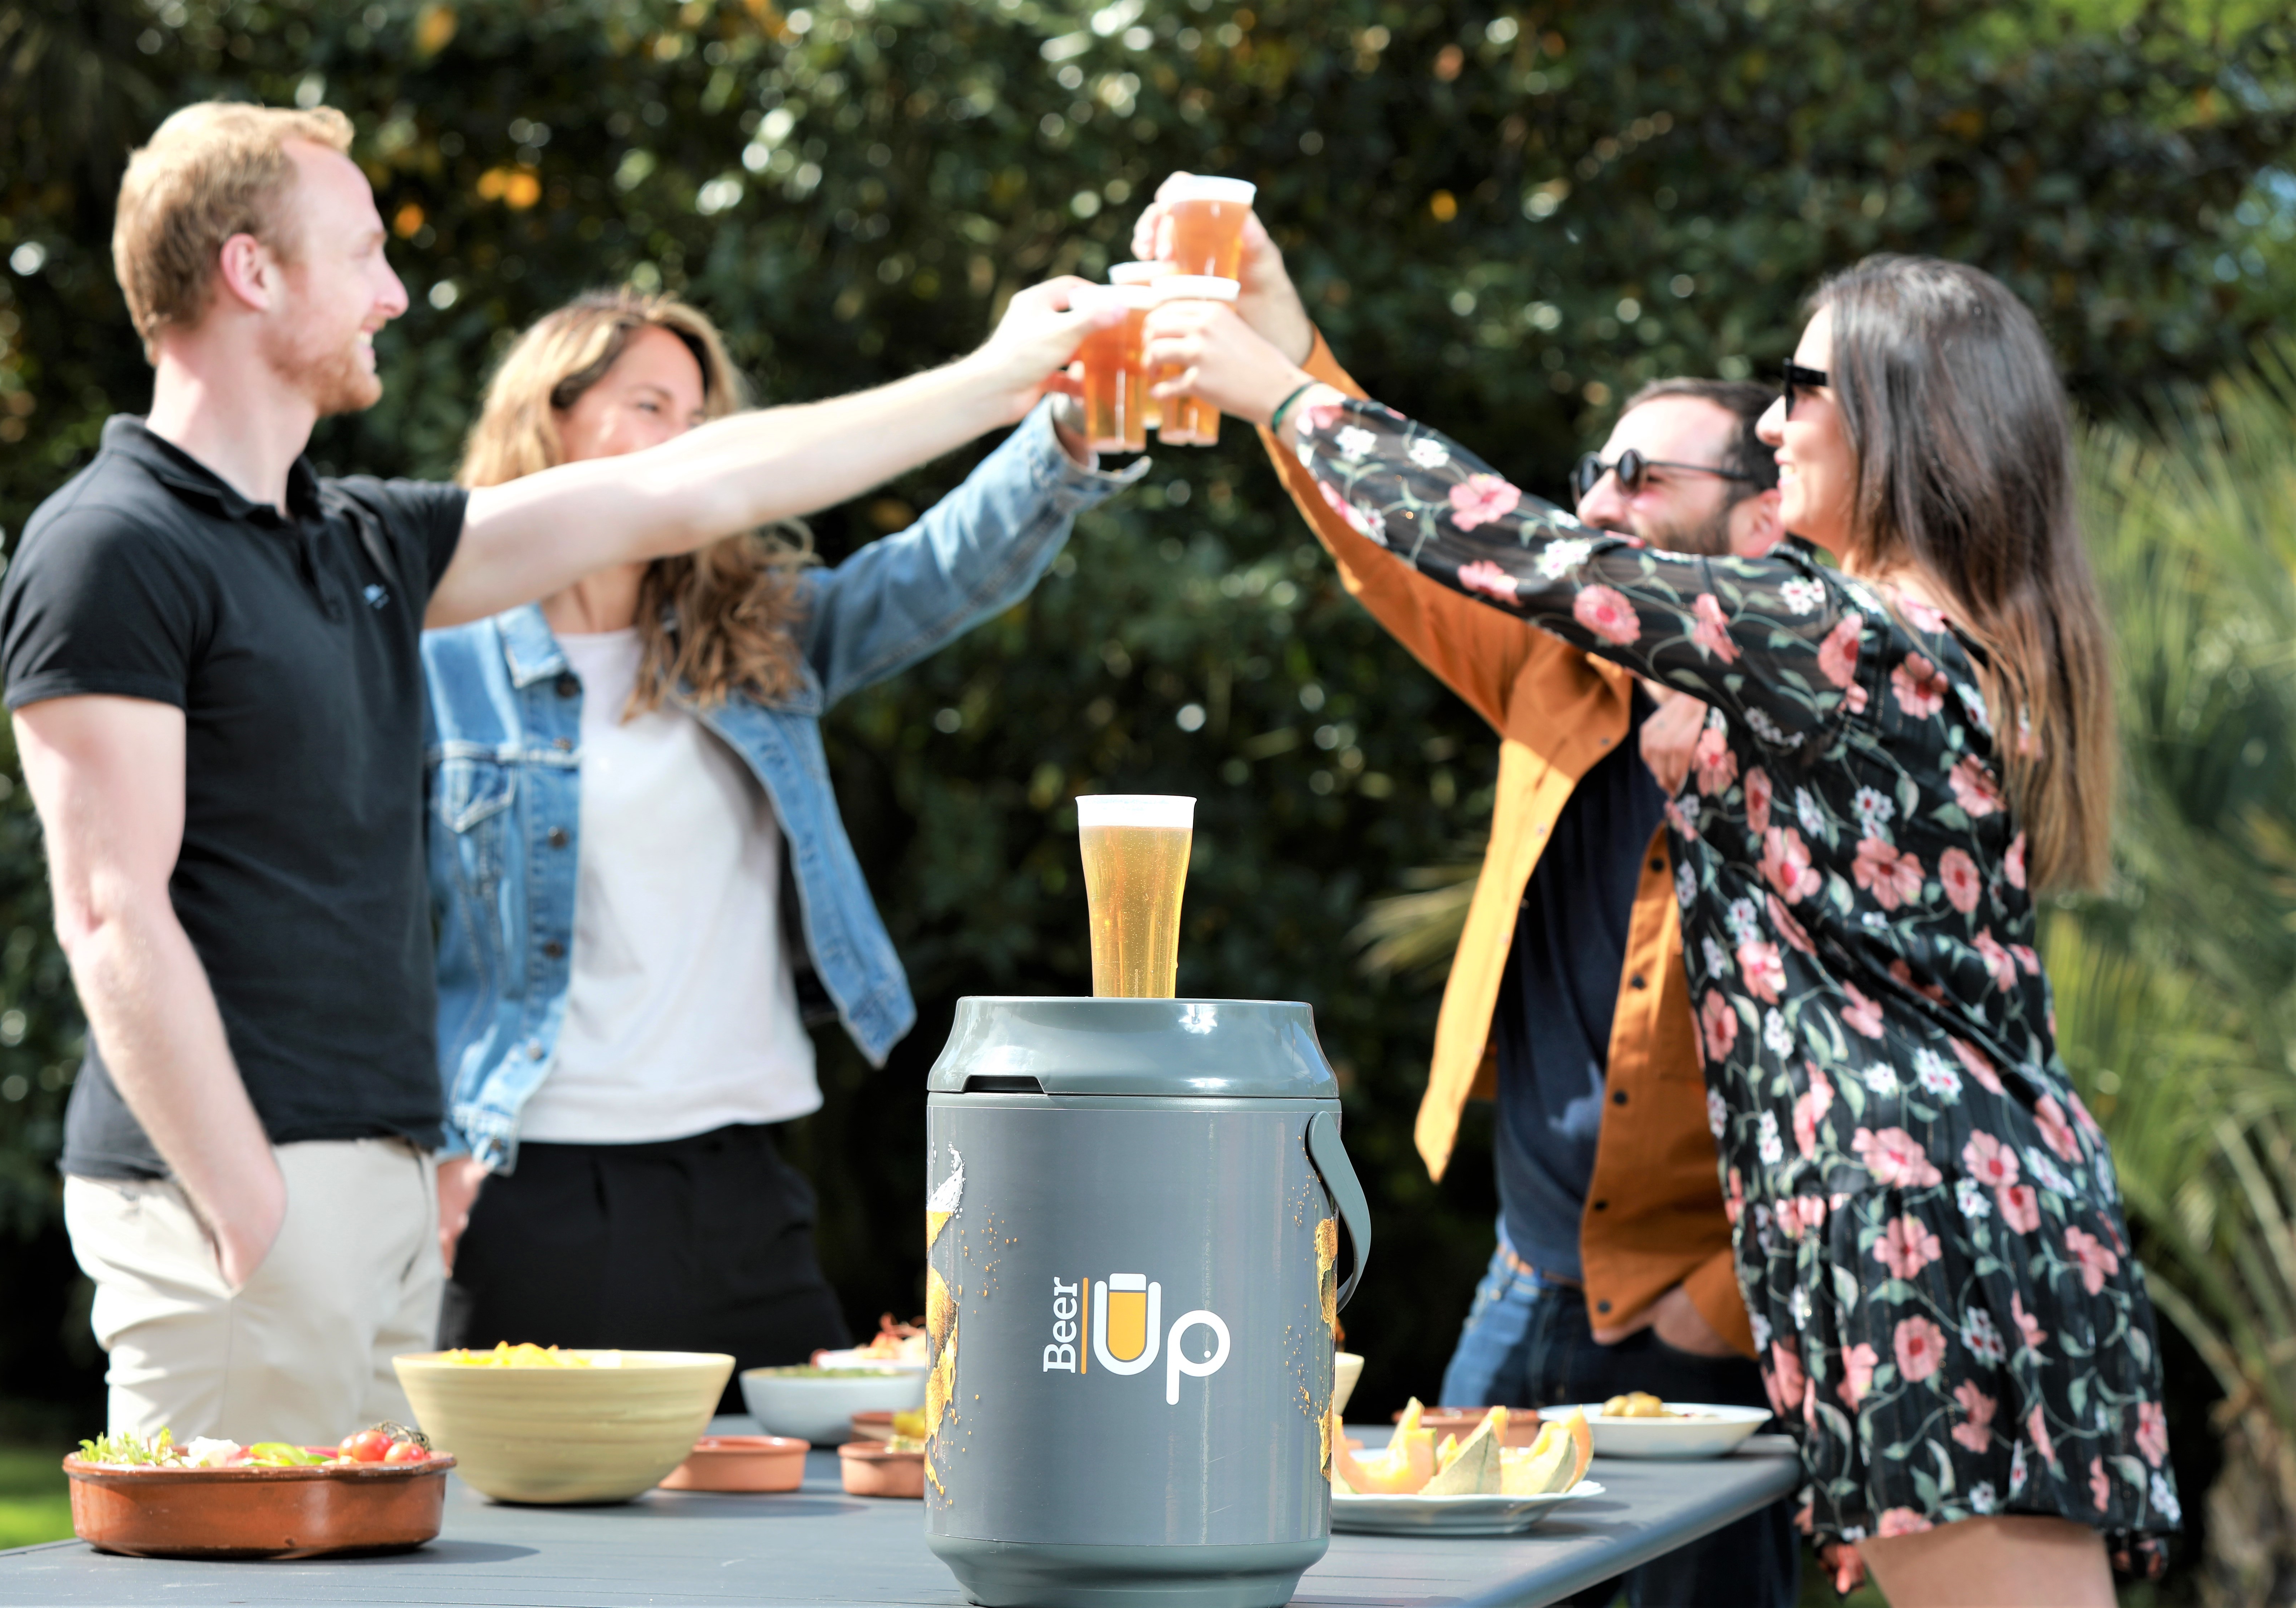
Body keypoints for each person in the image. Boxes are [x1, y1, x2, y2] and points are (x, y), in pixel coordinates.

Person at [0, 101, 1111, 1444]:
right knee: (242, 1586)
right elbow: (113, 913)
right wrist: (256, 1219)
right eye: (361, 254)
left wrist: (1004, 382)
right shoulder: (113, 546)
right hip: (249, 1201)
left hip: (390, 1194)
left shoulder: (358, 546)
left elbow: (689, 492)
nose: (394, 294)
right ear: (251, 271)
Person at [1146, 255, 2177, 1604]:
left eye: (1805, 386)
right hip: (1955, 1224)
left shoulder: (1846, 640)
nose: (1771, 421)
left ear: (1905, 418)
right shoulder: (1928, 645)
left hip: (1924, 1240)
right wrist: (1287, 332)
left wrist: (1281, 399)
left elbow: (1515, 548)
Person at [1134, 188, 1797, 1608]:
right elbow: (1390, 536)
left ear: (1764, 517)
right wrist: (1281, 333)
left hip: (1707, 1321)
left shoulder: (1812, 723)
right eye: (1595, 467)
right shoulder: (1550, 666)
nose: (1598, 500)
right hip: (1527, 1275)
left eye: (1643, 477)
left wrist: (1720, 1301)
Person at [422, 289, 1138, 1388]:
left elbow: (937, 569)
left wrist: (1062, 442)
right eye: (648, 405)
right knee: (531, 1544)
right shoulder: (438, 658)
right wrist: (418, 1149)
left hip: (743, 1187)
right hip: (528, 1188)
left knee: (803, 1522)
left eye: (700, 420)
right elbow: (366, 926)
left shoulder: (758, 635)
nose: (686, 444)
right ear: (547, 422)